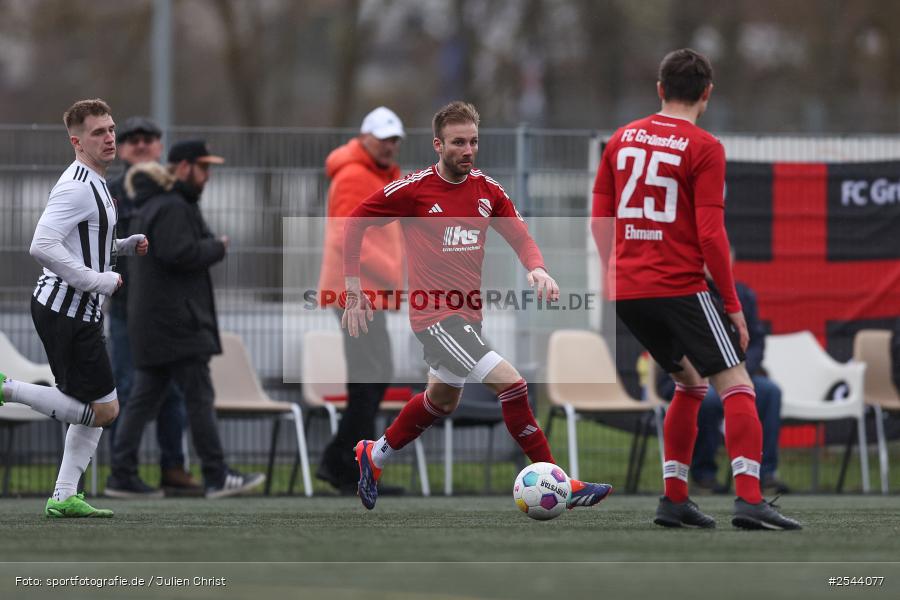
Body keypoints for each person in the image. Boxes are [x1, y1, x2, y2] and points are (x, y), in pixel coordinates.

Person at [342, 101, 613, 510]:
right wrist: (352, 287)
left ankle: (374, 454)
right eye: (457, 143)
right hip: (434, 318)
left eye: (473, 142)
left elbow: (521, 236)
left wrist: (537, 269)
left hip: (467, 319)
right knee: (514, 385)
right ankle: (560, 483)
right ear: (438, 145)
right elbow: (354, 221)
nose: (467, 150)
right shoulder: (414, 189)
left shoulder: (488, 191)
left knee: (441, 401)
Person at [591, 49, 800, 529]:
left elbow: (600, 219)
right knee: (739, 384)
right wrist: (732, 306)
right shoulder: (705, 147)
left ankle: (675, 498)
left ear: (660, 89)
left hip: (629, 289)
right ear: (707, 94)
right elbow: (710, 235)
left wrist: (611, 274)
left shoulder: (620, 139)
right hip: (679, 286)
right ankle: (749, 498)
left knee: (689, 383)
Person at [0, 98, 148, 517]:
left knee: (96, 405)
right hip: (66, 311)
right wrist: (96, 280)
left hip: (76, 311)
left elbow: (83, 244)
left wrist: (123, 247)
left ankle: (64, 496)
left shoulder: (97, 180)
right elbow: (41, 245)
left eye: (111, 129)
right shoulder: (76, 186)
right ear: (77, 141)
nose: (110, 137)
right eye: (98, 132)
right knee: (105, 410)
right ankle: (6, 388)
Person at [106, 140, 265, 499]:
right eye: (203, 168)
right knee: (198, 397)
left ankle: (121, 474)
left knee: (144, 397)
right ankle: (216, 474)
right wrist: (218, 247)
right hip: (177, 324)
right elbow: (181, 253)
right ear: (182, 168)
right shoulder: (173, 207)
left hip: (158, 324)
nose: (208, 176)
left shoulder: (159, 205)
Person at [104, 116, 198, 497]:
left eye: (148, 139)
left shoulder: (173, 191)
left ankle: (173, 467)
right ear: (121, 148)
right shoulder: (110, 193)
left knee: (172, 391)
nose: (141, 145)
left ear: (160, 145)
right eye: (132, 140)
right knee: (127, 388)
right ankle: (123, 472)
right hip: (127, 307)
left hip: (168, 310)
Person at [316, 107, 406, 494]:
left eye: (394, 139)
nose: (390, 146)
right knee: (369, 380)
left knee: (371, 379)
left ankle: (343, 462)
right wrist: (391, 271)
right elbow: (345, 236)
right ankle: (348, 465)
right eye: (384, 138)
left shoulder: (379, 175)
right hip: (357, 292)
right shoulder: (354, 175)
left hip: (369, 292)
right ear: (365, 137)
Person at [655, 265, 789, 495]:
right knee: (707, 400)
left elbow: (756, 341)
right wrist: (713, 370)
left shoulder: (743, 295)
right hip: (692, 376)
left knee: (770, 392)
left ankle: (764, 474)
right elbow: (672, 343)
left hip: (736, 371)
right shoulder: (681, 294)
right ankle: (703, 476)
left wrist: (739, 369)